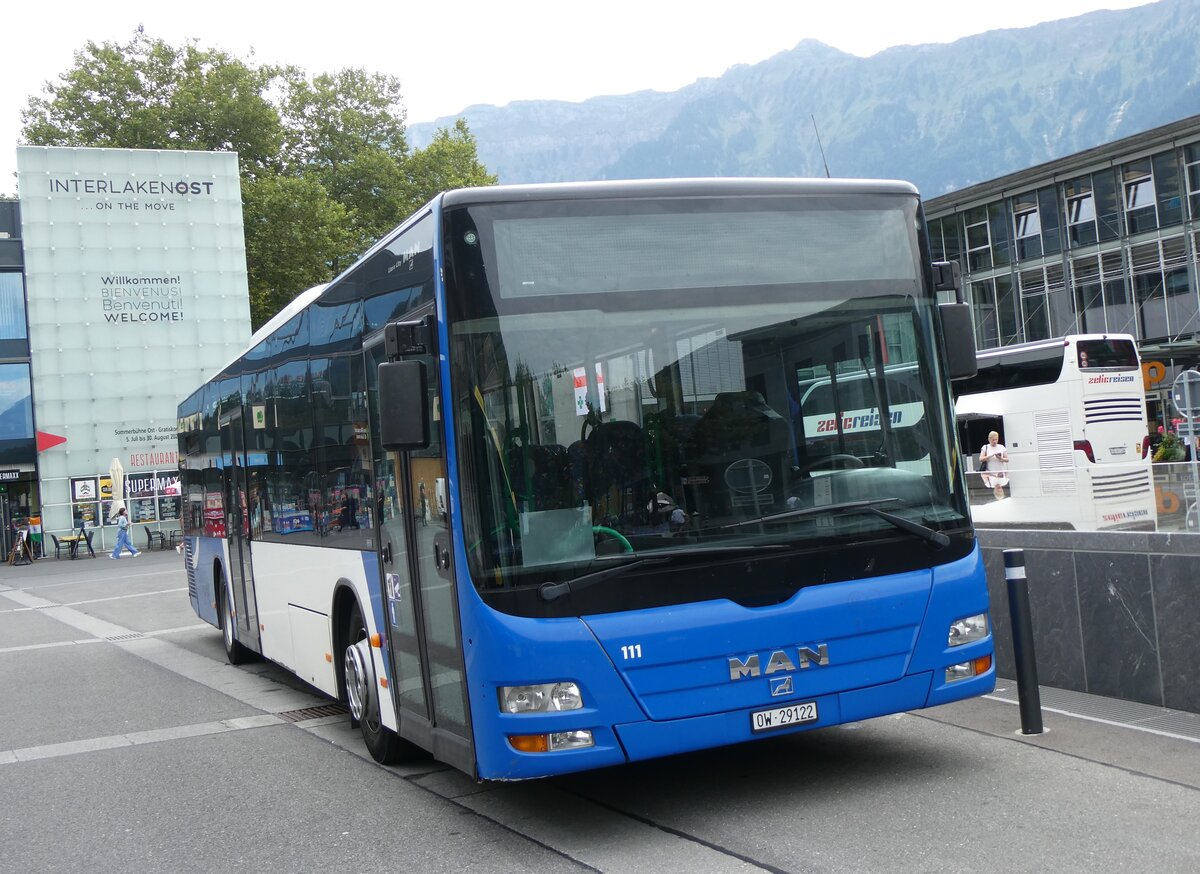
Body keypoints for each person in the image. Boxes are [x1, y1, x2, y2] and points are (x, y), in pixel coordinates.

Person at [979, 430, 1010, 500]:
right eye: (993, 440)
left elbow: (1007, 459)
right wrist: (991, 455)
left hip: (1001, 467)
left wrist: (1001, 458)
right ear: (989, 439)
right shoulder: (985, 447)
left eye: (996, 439)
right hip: (990, 468)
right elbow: (981, 459)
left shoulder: (1001, 447)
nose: (995, 441)